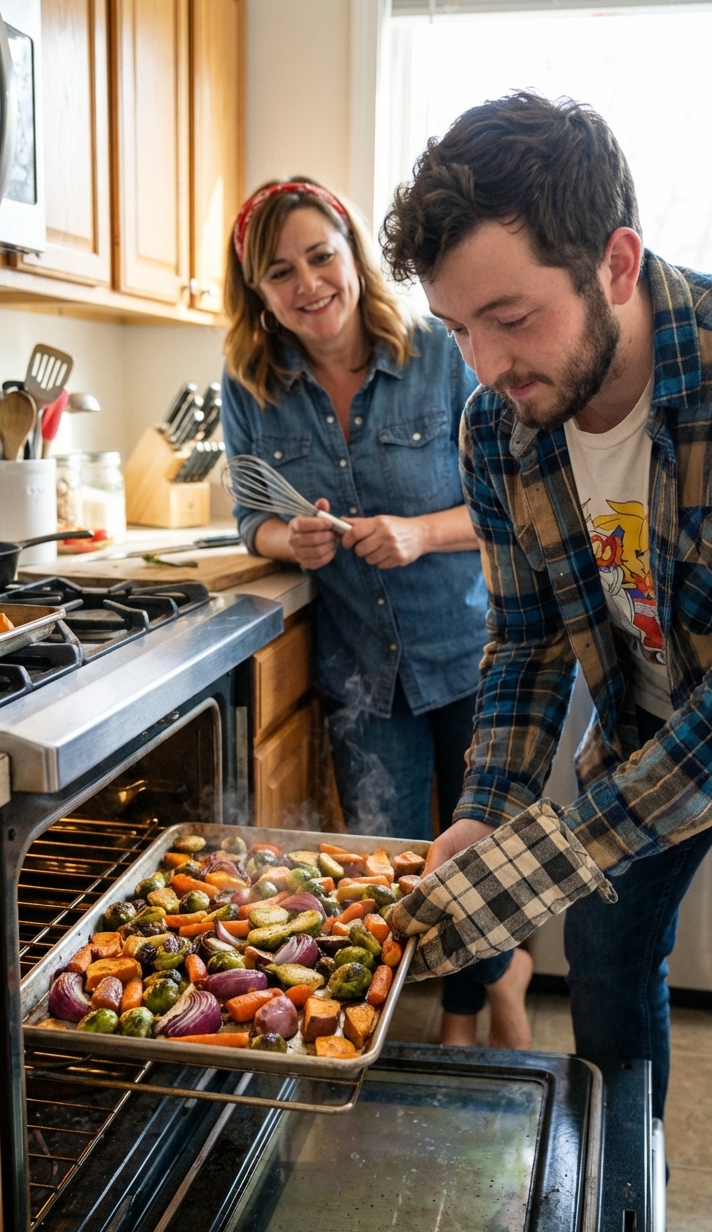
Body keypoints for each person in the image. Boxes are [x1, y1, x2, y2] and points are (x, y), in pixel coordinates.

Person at [382, 93, 712, 1232]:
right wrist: (486, 812)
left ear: (614, 261)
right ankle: (627, 1230)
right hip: (641, 738)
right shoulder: (495, 427)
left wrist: (558, 847)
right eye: (457, 327)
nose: (484, 364)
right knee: (609, 1007)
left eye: (508, 317)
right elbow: (522, 642)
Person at [220, 177, 533, 1047]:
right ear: (258, 292)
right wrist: (291, 539)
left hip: (469, 648)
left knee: (484, 856)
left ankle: (485, 1000)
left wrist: (418, 533)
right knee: (387, 868)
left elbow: (509, 509)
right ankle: (394, 1019)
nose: (308, 283)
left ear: (352, 256)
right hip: (360, 670)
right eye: (280, 272)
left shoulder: (443, 353)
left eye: (321, 256)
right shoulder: (250, 383)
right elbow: (252, 517)